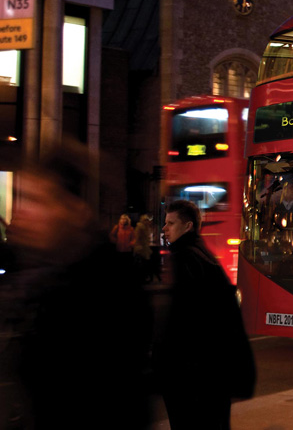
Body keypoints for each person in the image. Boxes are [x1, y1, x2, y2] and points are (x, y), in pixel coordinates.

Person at [0, 144, 151, 429]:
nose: (23, 210)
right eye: (21, 197)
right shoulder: (42, 270)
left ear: (72, 208)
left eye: (36, 200)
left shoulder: (106, 288)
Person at [155, 199, 255, 429]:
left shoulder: (185, 259)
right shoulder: (204, 256)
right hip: (211, 375)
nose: (164, 228)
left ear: (187, 226)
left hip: (191, 377)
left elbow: (180, 321)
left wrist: (162, 365)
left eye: (171, 223)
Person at [133, 213, 154, 282]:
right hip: (141, 248)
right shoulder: (140, 227)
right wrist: (138, 246)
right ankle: (142, 278)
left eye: (147, 220)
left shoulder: (145, 227)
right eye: (145, 220)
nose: (147, 221)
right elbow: (137, 237)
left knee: (144, 263)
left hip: (144, 247)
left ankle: (143, 277)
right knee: (142, 263)